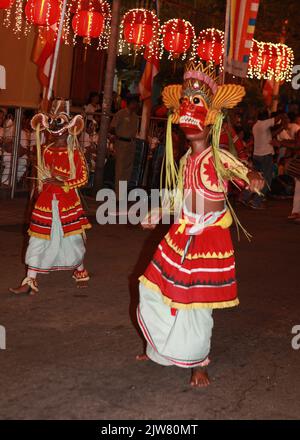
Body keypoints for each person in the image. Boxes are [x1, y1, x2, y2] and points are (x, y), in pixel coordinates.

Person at [136, 61, 264, 388]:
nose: (190, 122)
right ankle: (161, 347)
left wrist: (253, 177)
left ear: (210, 123)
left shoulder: (219, 156)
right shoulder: (184, 161)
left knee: (198, 304)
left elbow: (243, 171)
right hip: (181, 232)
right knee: (155, 289)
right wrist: (157, 212)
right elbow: (180, 196)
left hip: (209, 236)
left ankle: (199, 361)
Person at [10, 99, 91, 295]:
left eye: (60, 123)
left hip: (67, 204)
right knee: (38, 240)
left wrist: (63, 183)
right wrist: (39, 191)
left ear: (70, 128)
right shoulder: (45, 150)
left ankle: (79, 270)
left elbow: (83, 179)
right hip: (46, 204)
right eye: (52, 123)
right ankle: (30, 280)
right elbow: (40, 177)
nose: (55, 127)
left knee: (72, 241)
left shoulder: (74, 153)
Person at [241, 110, 282, 209]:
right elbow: (277, 119)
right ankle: (256, 202)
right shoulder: (265, 123)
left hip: (257, 155)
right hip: (265, 156)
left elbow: (269, 135)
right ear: (266, 118)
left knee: (256, 178)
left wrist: (281, 128)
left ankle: (244, 197)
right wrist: (282, 115)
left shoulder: (256, 126)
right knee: (266, 181)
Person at [110, 96, 139, 199]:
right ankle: (118, 195)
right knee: (120, 169)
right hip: (121, 142)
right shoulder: (121, 114)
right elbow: (112, 127)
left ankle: (123, 194)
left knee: (128, 170)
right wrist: (116, 138)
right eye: (134, 103)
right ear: (129, 103)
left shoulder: (136, 117)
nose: (135, 105)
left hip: (131, 144)